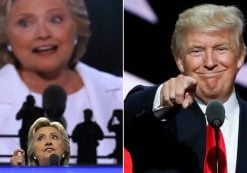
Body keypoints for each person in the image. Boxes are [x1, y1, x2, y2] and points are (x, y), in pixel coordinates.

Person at [125, 3, 247, 173]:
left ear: (240, 56)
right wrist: (162, 97)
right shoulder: (157, 123)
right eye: (197, 51)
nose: (210, 62)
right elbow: (127, 114)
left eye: (221, 49)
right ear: (180, 61)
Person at [0, 0, 122, 164]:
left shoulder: (122, 92)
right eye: (25, 23)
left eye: (55, 19)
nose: (43, 33)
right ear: (6, 35)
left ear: (77, 27)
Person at [16, 94, 44, 162]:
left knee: (35, 153)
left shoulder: (38, 110)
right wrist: (23, 108)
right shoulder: (25, 110)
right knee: (25, 153)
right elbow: (17, 117)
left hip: (34, 135)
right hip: (25, 134)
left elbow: (43, 118)